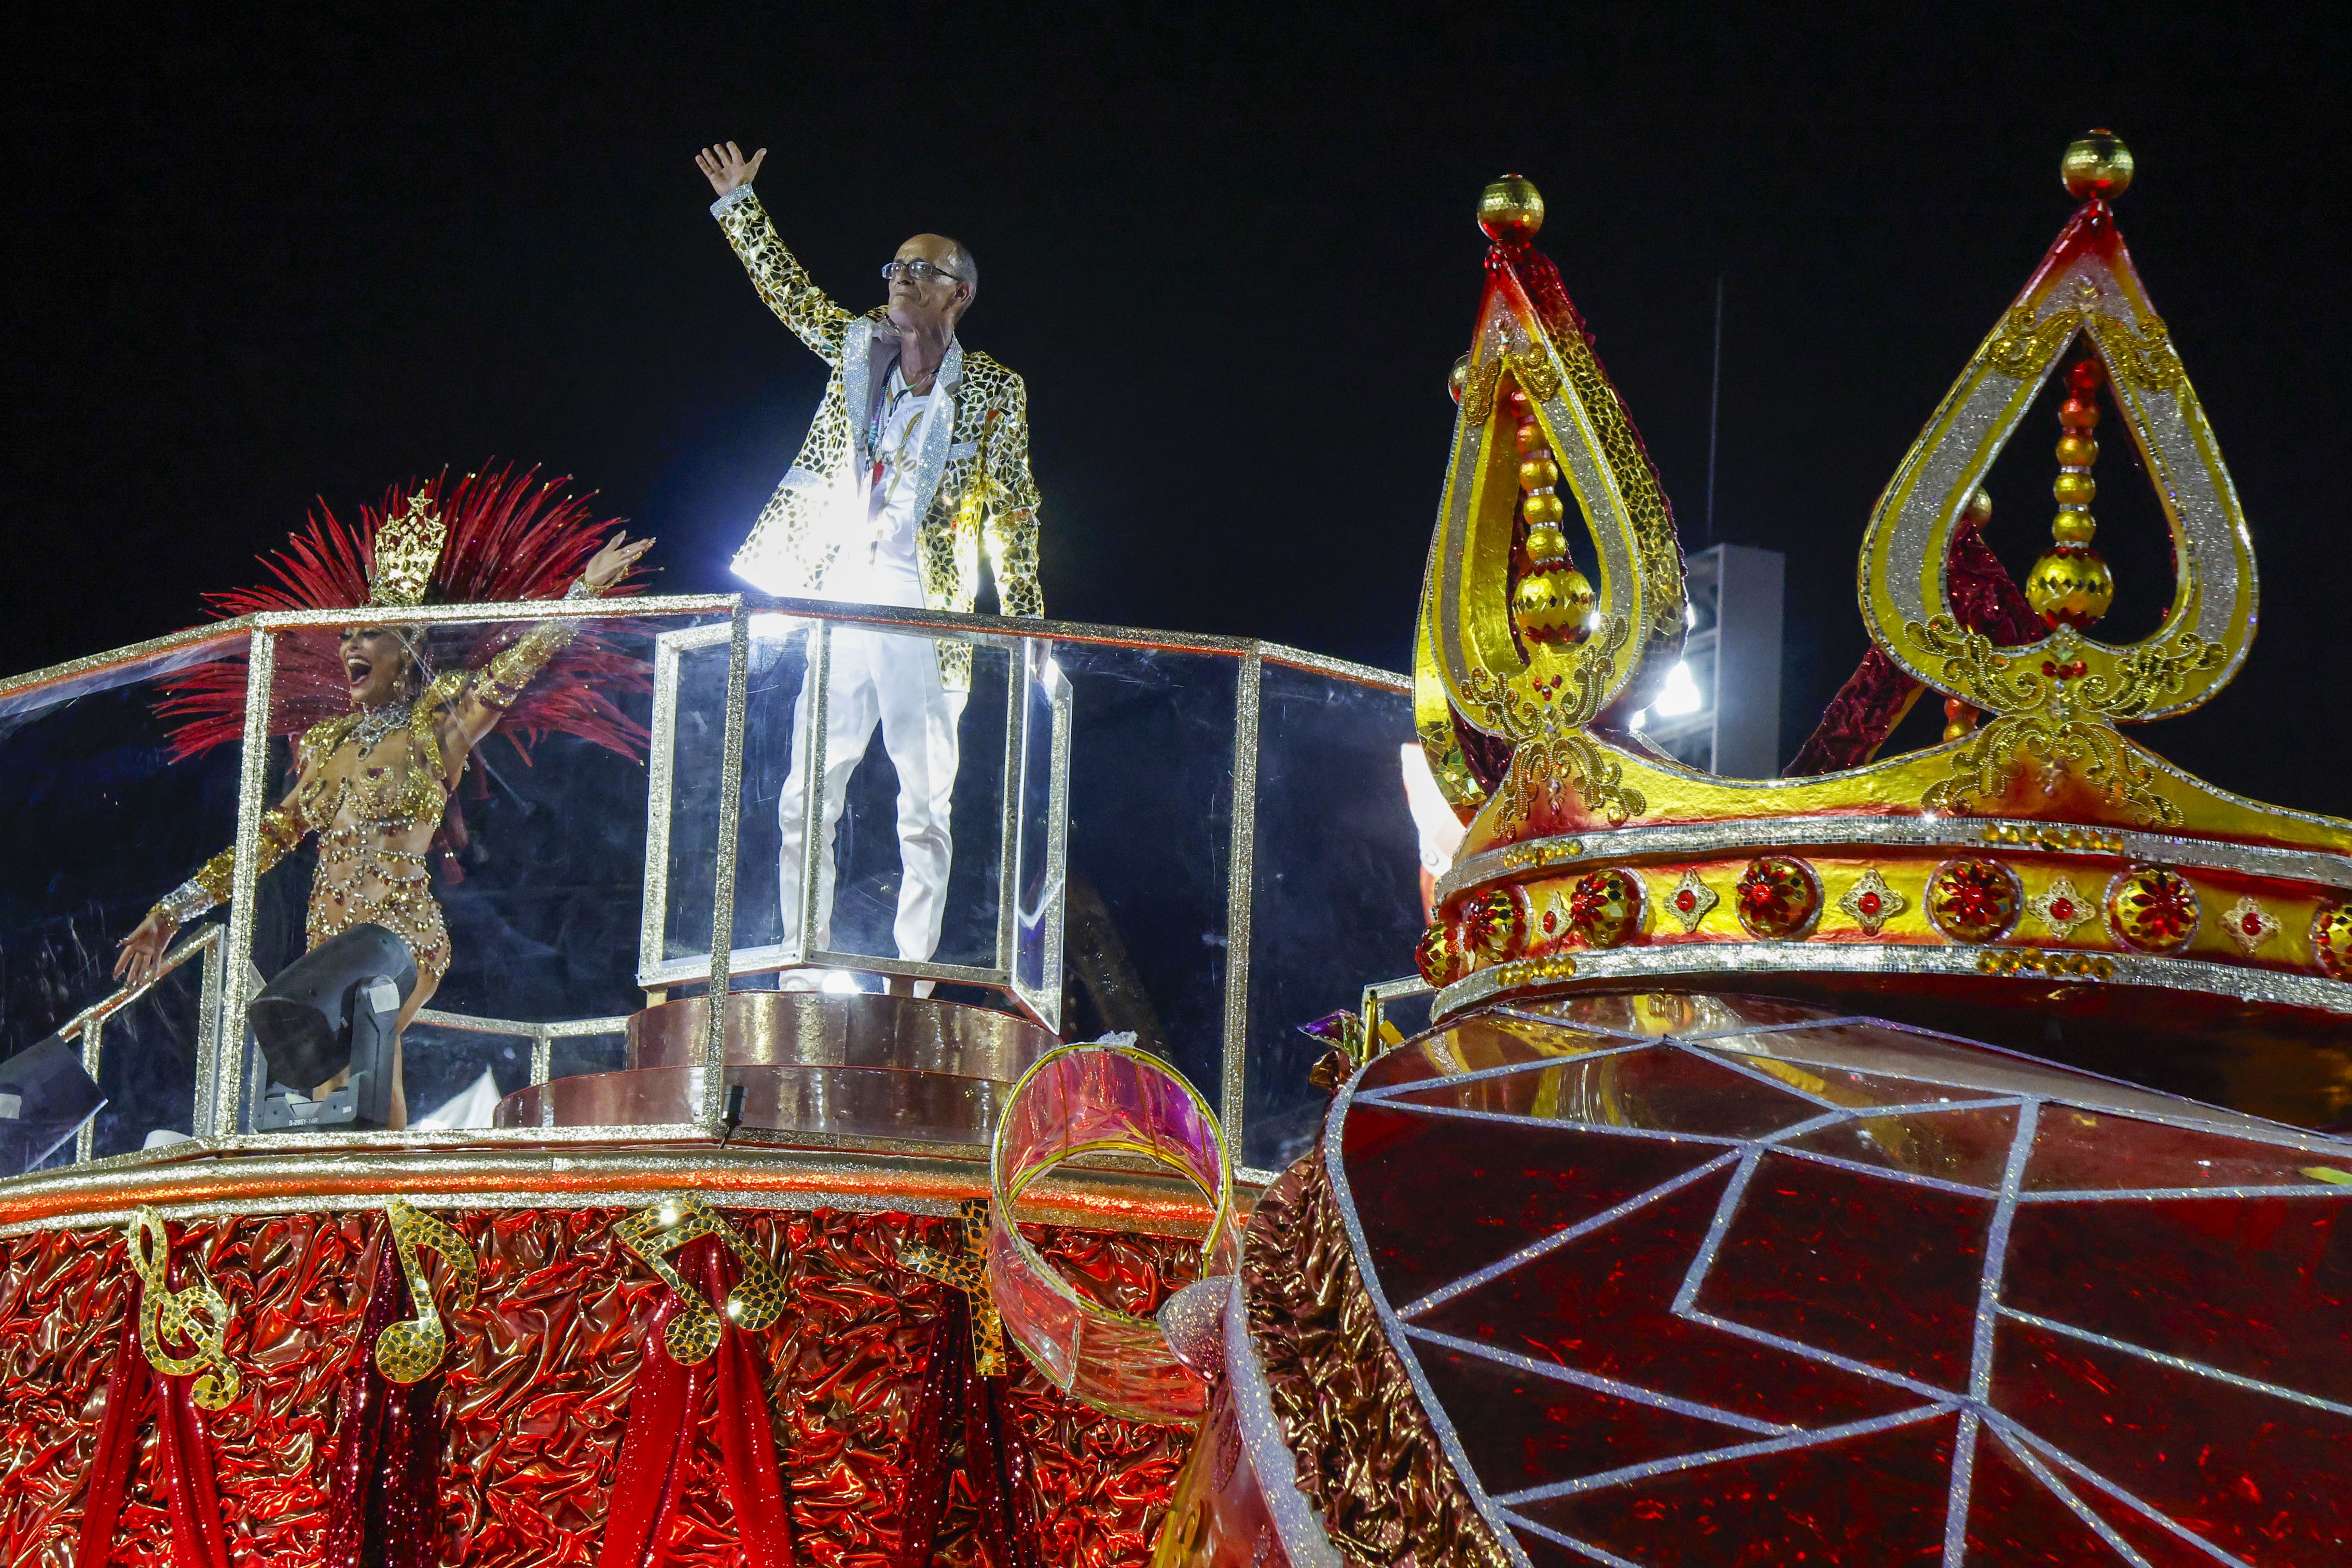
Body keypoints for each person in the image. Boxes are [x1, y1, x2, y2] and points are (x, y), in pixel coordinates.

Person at [115, 475, 653, 1127]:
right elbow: (267, 839)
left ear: (411, 648)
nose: (350, 646)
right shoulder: (326, 744)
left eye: (370, 635)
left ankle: (380, 1186)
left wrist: (581, 593)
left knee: (366, 1062)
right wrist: (171, 911)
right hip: (328, 941)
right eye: (346, 636)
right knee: (326, 1089)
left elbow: (512, 671)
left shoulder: (436, 728)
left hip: (399, 933)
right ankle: (352, 1187)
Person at [695, 141, 1044, 987]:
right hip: (840, 584)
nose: (900, 279)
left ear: (958, 293)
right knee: (806, 788)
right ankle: (802, 964)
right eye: (895, 266)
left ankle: (910, 975)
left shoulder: (993, 389)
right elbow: (789, 296)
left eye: (921, 270)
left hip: (925, 602)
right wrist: (739, 205)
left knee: (922, 799)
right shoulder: (857, 346)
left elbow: (1015, 513)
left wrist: (1030, 627)